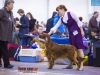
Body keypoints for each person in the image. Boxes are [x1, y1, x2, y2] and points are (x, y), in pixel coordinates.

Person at [48, 5, 84, 70]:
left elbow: (78, 21)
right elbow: (55, 27)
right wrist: (48, 34)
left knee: (79, 49)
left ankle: (81, 66)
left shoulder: (71, 13)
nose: (58, 12)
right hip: (71, 34)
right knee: (72, 50)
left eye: (58, 10)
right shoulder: (61, 18)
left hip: (78, 33)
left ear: (62, 9)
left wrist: (82, 31)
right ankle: (71, 65)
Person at [0, 0, 14, 68]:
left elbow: (10, 22)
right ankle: (6, 63)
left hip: (7, 35)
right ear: (7, 5)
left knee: (1, 49)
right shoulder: (2, 11)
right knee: (5, 49)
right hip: (1, 34)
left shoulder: (11, 13)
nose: (13, 6)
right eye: (12, 5)